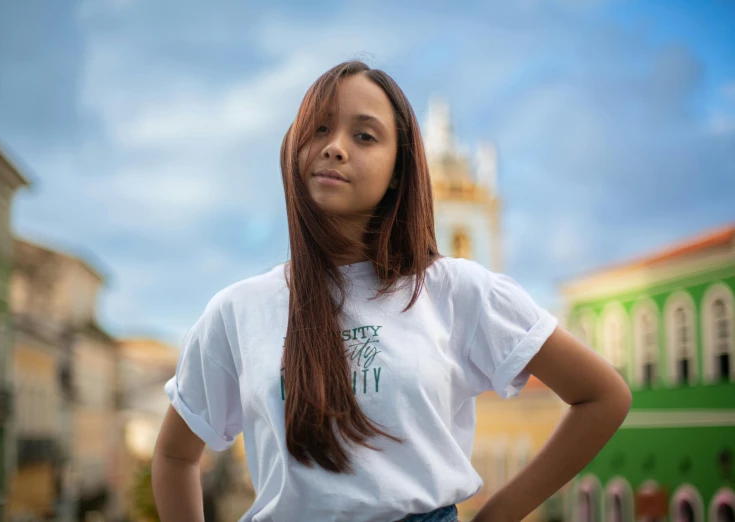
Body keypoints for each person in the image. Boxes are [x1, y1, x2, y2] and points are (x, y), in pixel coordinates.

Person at [151, 60, 632, 522]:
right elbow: (175, 456)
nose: (335, 147)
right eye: (319, 129)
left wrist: (499, 514)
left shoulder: (456, 291)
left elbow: (601, 396)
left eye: (364, 135)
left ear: (399, 168)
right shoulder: (237, 311)